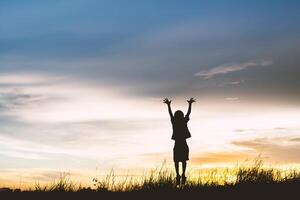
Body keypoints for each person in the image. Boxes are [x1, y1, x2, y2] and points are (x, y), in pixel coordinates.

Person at [163, 97, 196, 185]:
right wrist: (190, 104)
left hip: (178, 144)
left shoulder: (175, 122)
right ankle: (182, 175)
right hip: (183, 144)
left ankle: (179, 175)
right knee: (183, 161)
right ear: (181, 115)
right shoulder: (183, 121)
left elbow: (170, 114)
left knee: (177, 161)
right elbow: (188, 113)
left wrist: (169, 105)